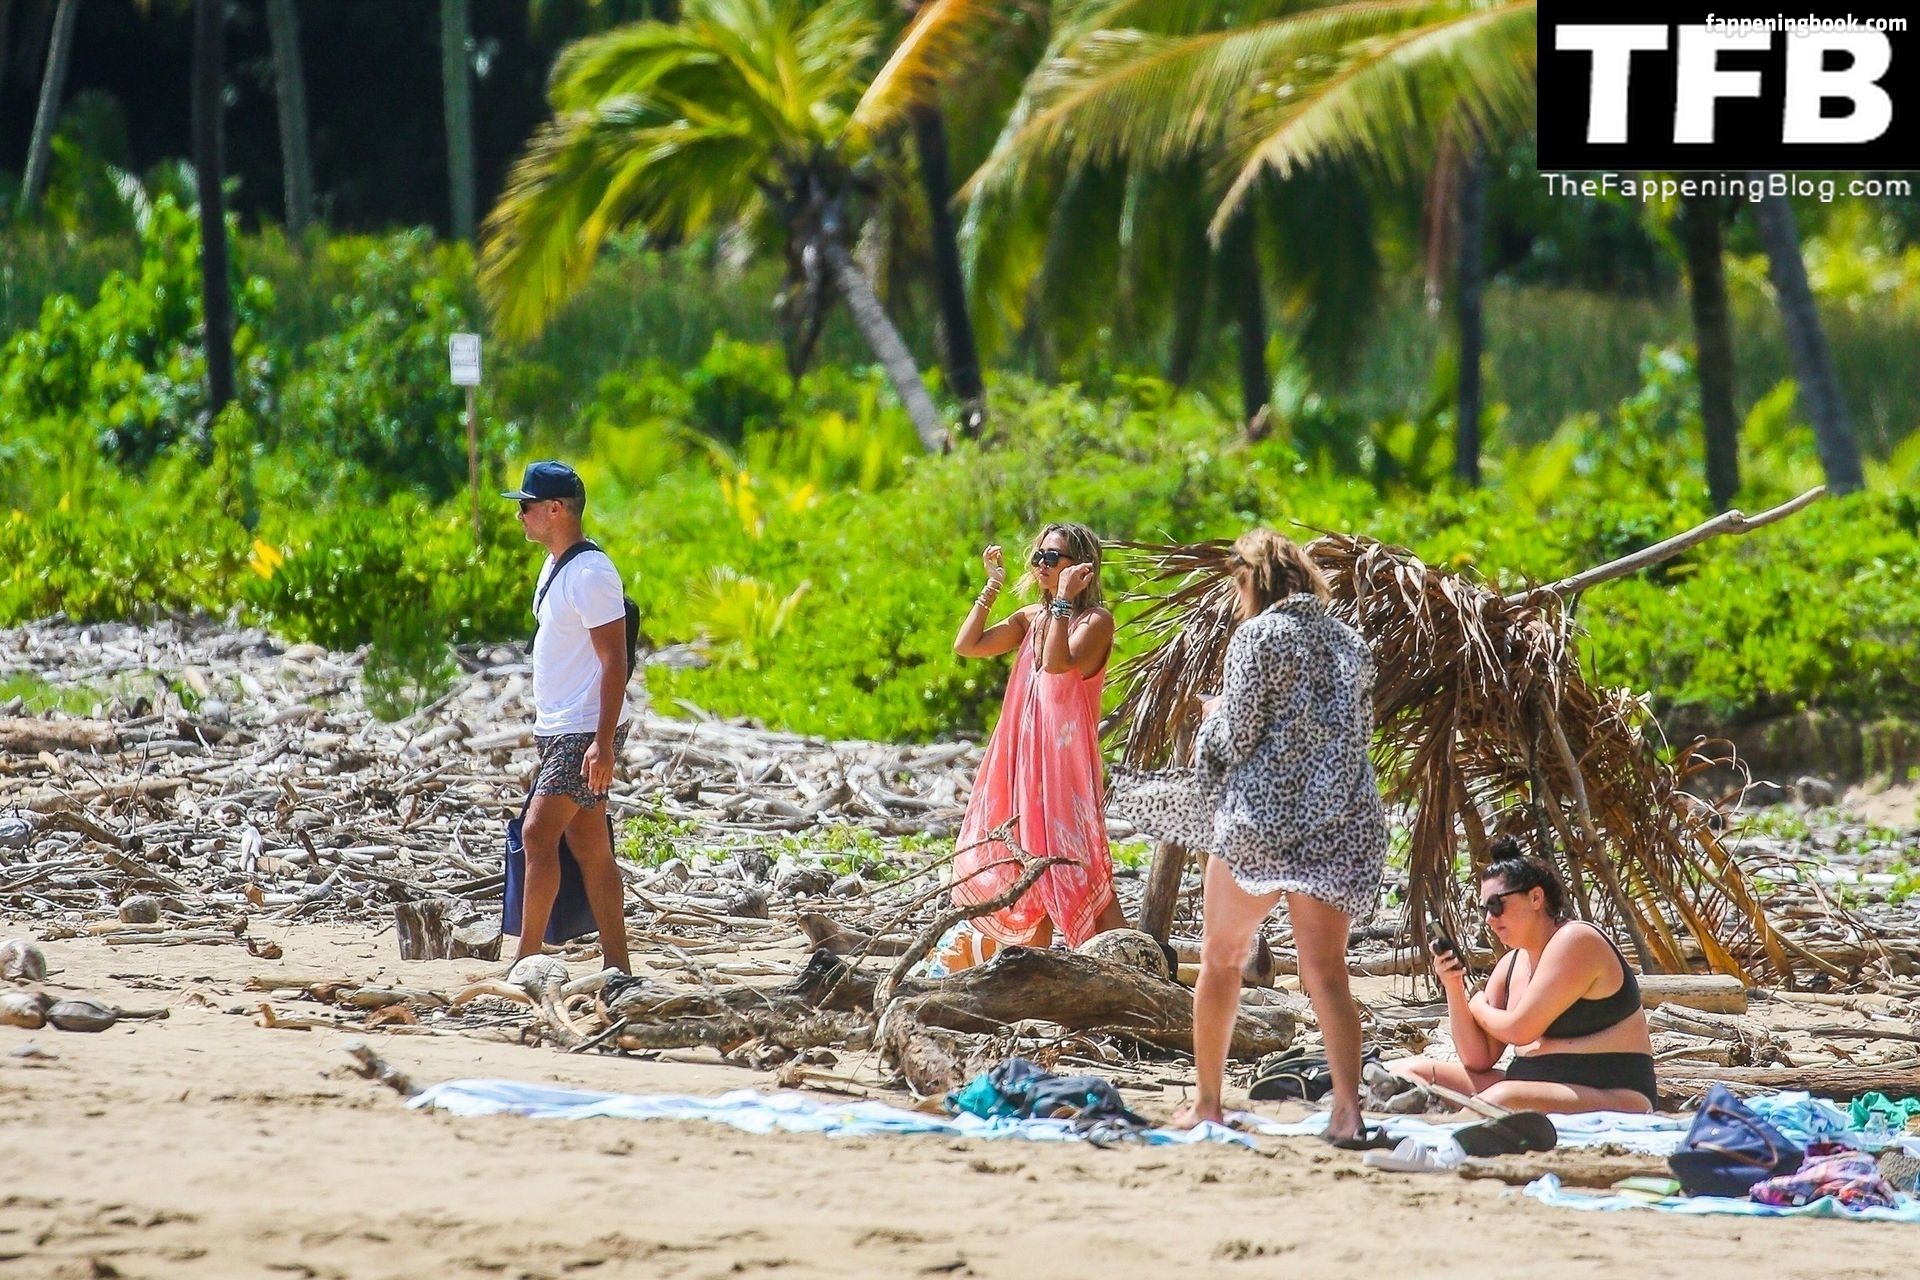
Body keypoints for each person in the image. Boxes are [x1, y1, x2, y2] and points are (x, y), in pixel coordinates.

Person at [1172, 529, 1386, 1144]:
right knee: (1328, 974)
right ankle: (1347, 1112)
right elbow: (1357, 732)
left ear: (1252, 580)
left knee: (1221, 959)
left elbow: (1238, 736)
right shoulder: (1350, 642)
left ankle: (1207, 1102)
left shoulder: (1257, 636)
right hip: (1342, 820)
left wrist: (1212, 718)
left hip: (1264, 819)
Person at [948, 521, 1127, 957]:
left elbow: (1057, 666)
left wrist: (1063, 601)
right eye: (1038, 556)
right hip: (1023, 756)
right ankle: (1033, 963)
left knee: (1075, 861)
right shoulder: (1033, 618)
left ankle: (1132, 961)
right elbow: (967, 645)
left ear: (1081, 567)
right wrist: (992, 587)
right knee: (1025, 858)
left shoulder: (1096, 622)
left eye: (1052, 557)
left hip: (1064, 764)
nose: (1041, 565)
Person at [1390, 840, 1657, 1114]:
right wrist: (1454, 985)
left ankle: (1440, 1129)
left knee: (1502, 1098)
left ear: (1536, 897)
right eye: (1484, 909)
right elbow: (1477, 1058)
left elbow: (1520, 1030)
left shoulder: (1577, 940)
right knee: (1409, 1072)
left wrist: (1477, 1005)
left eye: (1496, 905)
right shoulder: (1510, 965)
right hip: (1529, 1087)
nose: (1489, 919)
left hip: (1614, 1095)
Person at [502, 460, 632, 975]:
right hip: (561, 727)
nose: (520, 515)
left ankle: (526, 961)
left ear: (555, 509)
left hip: (584, 728)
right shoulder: (555, 565)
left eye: (527, 505)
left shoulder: (591, 573)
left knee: (537, 834)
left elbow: (615, 660)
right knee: (588, 843)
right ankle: (618, 968)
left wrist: (603, 743)